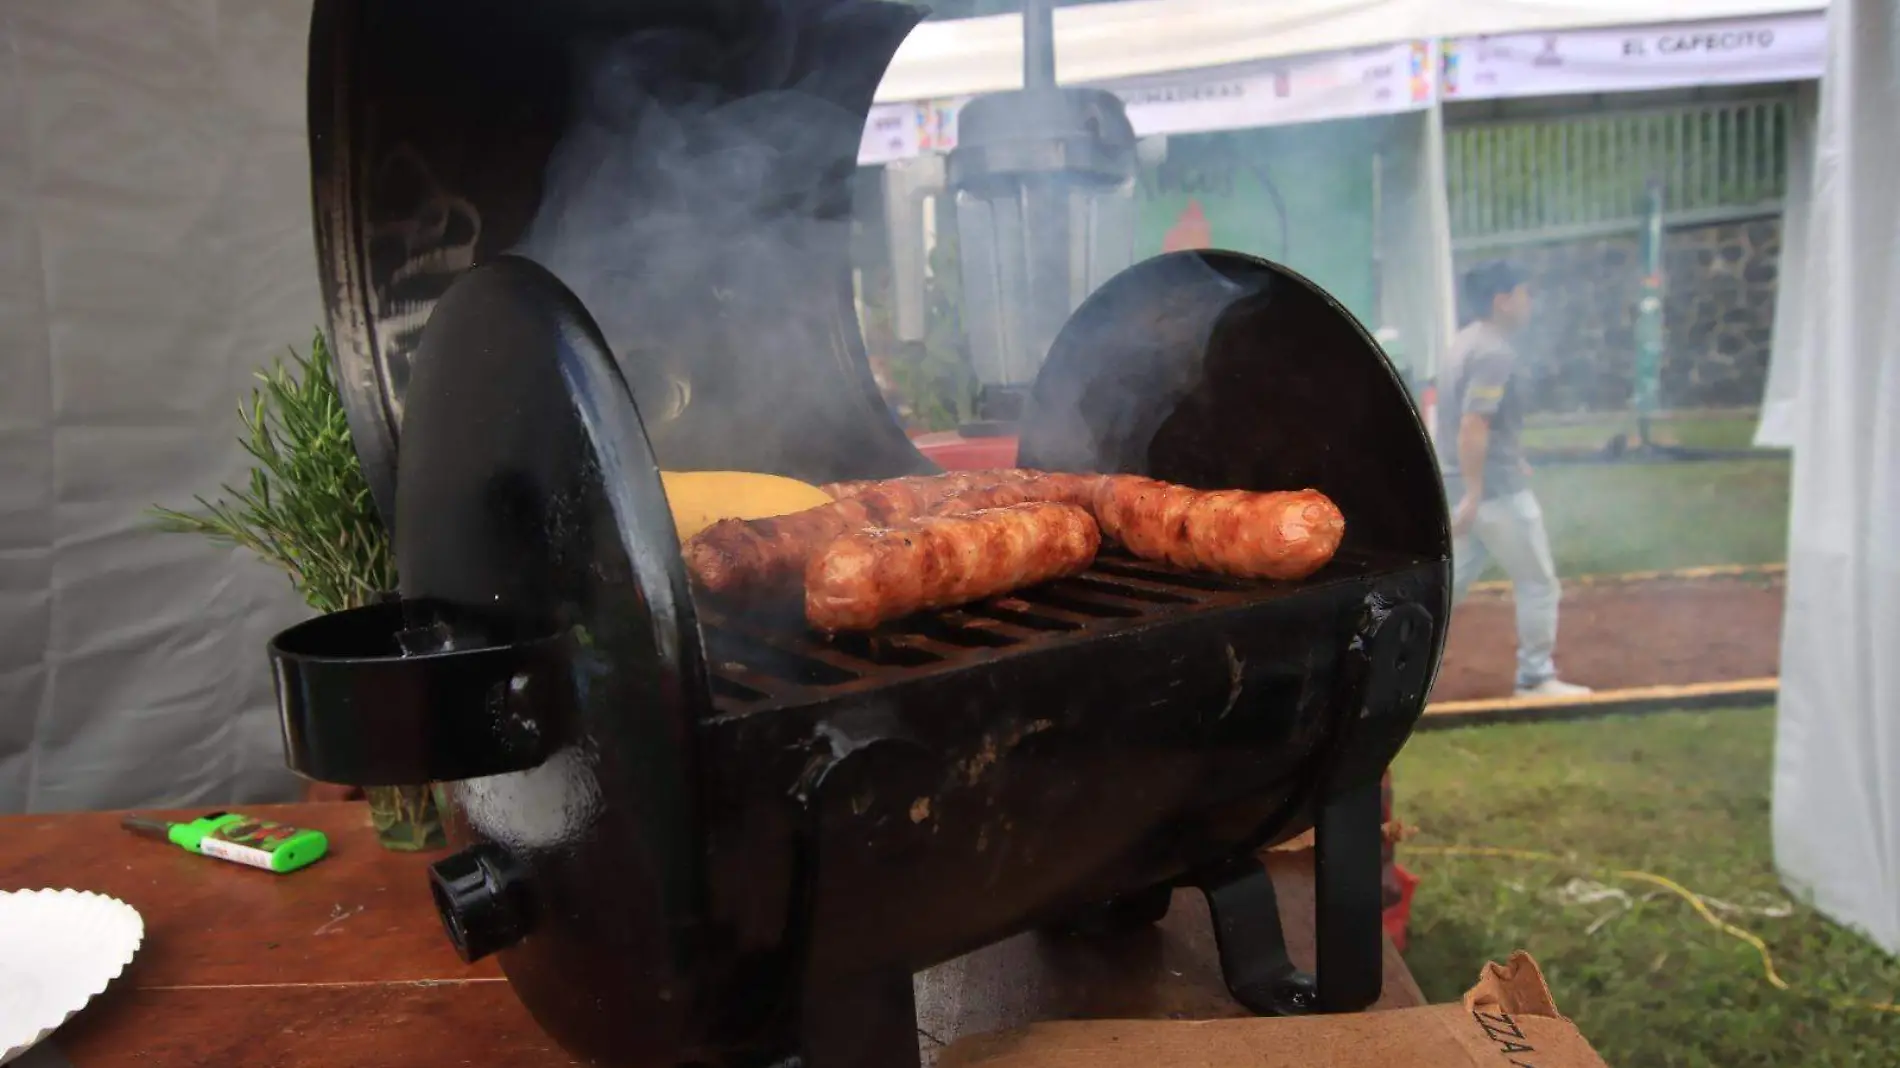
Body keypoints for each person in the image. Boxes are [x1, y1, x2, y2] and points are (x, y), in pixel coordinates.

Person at [1439, 261, 1590, 699]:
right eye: (1524, 293)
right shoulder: (1494, 352)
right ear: (1501, 300)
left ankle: (1377, 667)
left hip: (1469, 485)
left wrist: (1502, 461)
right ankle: (1535, 677)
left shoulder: (1464, 342)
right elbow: (1473, 423)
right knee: (1538, 582)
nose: (1530, 303)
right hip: (1493, 492)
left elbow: (1472, 422)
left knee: (1444, 590)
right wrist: (1475, 490)